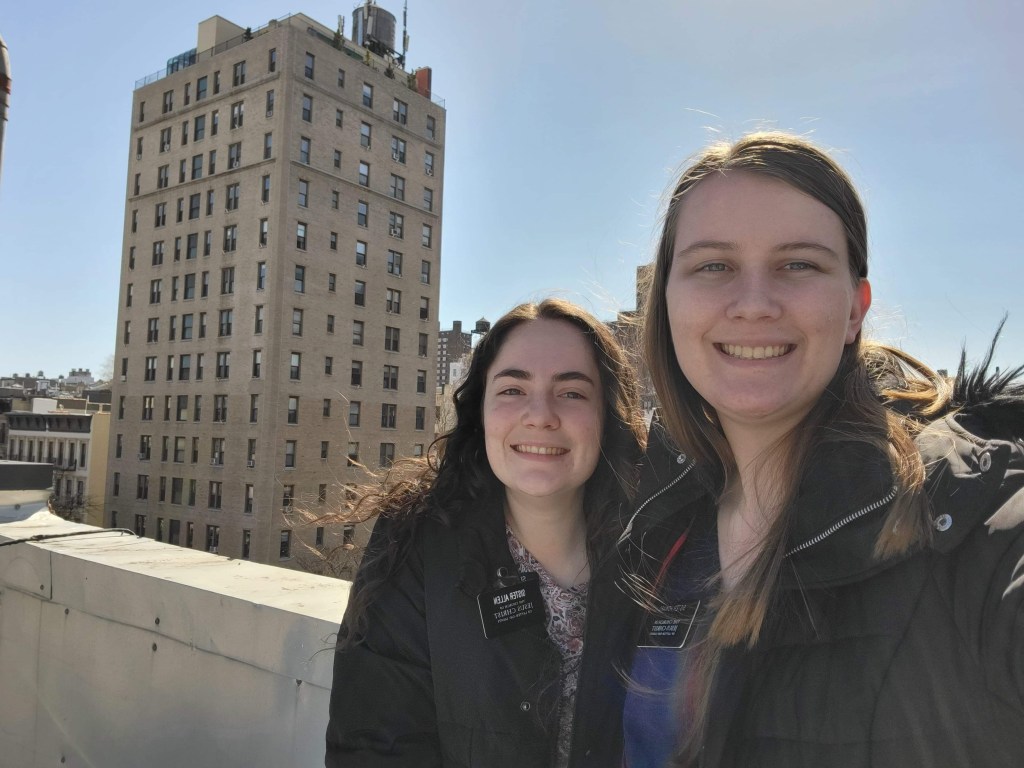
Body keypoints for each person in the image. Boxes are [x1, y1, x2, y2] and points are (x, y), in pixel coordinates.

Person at [619, 131, 1024, 767]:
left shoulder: (966, 509)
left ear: (856, 309)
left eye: (799, 265)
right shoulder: (655, 519)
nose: (754, 305)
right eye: (714, 266)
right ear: (664, 302)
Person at [325, 298, 647, 767]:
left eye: (572, 393)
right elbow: (374, 746)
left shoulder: (660, 550)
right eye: (513, 389)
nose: (540, 415)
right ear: (480, 412)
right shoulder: (417, 545)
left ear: (607, 417)